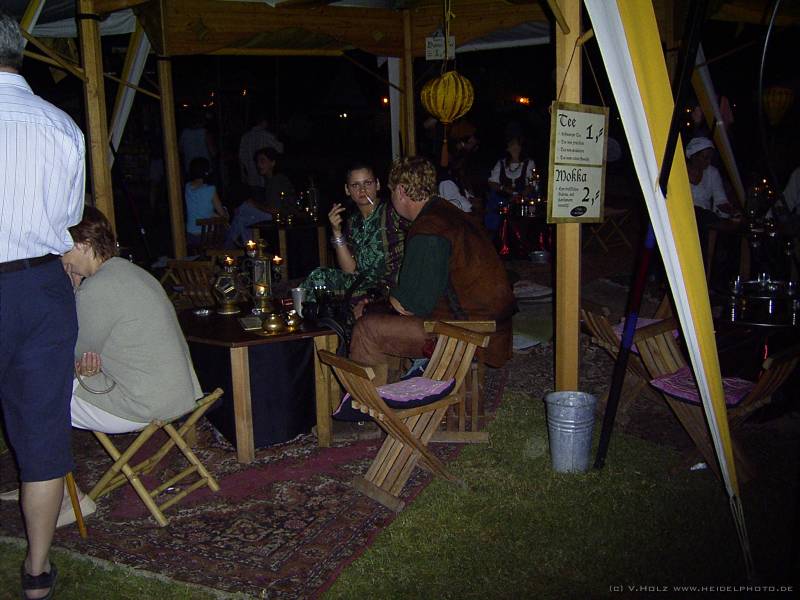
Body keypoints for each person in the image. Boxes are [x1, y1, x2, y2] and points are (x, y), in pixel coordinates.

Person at [0, 12, 85, 599]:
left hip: (32, 288)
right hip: (39, 288)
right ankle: (36, 571)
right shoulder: (61, 125)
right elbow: (69, 217)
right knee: (43, 437)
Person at [58, 206, 202, 523]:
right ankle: (42, 483)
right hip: (179, 394)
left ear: (82, 244)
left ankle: (57, 492)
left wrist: (72, 291)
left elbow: (71, 354)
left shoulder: (98, 287)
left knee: (36, 398)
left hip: (144, 404)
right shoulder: (132, 272)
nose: (60, 258)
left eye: (63, 249)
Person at [350, 157, 516, 385]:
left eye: (391, 191)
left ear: (400, 191)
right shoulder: (447, 212)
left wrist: (369, 308)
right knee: (382, 318)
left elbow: (410, 305)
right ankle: (403, 383)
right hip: (491, 325)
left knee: (366, 328)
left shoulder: (429, 229)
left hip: (471, 333)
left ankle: (370, 400)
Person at [300, 162, 407, 306]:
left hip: (388, 288)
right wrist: (336, 232)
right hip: (363, 284)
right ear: (347, 190)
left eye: (368, 183)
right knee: (318, 278)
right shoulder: (353, 222)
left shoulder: (392, 212)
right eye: (355, 185)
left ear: (377, 185)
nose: (362, 190)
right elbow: (349, 270)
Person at [686, 136, 739, 224]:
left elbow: (720, 200)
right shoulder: (680, 170)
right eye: (705, 157)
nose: (708, 161)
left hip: (706, 218)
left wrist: (733, 212)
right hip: (686, 214)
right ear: (694, 156)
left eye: (710, 158)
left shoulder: (712, 172)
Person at [185, 156, 227, 247]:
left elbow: (200, 209)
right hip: (207, 235)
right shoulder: (210, 189)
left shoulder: (187, 187)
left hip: (190, 234)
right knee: (225, 228)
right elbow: (221, 213)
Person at [239, 112, 284, 197]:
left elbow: (241, 159)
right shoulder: (266, 135)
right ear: (264, 122)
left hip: (251, 180)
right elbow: (280, 149)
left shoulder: (245, 137)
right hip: (265, 180)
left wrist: (243, 176)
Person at [255, 146, 295, 211]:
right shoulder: (270, 180)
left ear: (273, 163)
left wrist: (253, 204)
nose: (258, 165)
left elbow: (275, 210)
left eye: (262, 161)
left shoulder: (277, 180)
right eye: (257, 161)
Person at [179, 110, 215, 177]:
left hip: (190, 169)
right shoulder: (205, 133)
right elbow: (213, 152)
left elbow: (180, 151)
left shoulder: (184, 133)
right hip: (204, 169)